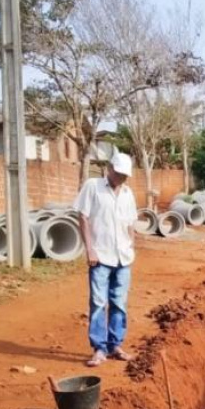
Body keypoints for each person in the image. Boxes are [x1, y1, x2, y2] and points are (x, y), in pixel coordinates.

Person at [73, 152, 138, 367]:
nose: (121, 178)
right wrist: (90, 249)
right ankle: (99, 349)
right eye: (118, 173)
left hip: (123, 258)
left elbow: (131, 223)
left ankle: (115, 345)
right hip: (100, 255)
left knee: (119, 303)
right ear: (109, 168)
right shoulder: (93, 186)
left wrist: (131, 245)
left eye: (124, 175)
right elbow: (83, 216)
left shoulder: (128, 193)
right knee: (99, 303)